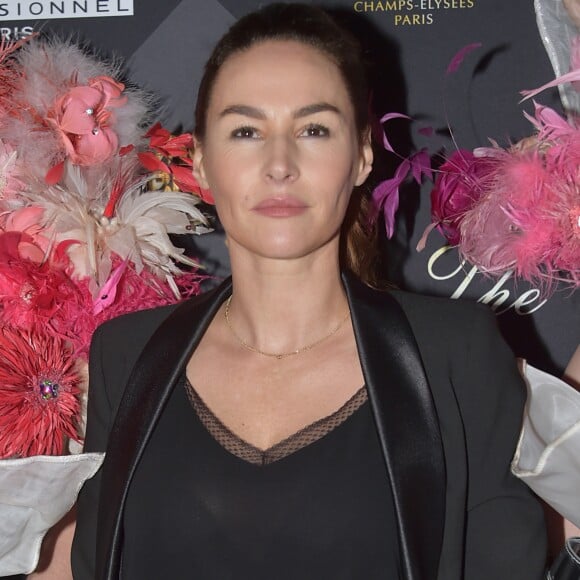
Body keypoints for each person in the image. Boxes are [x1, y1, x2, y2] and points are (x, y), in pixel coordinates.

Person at [64, 3, 546, 579]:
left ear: (363, 153)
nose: (279, 164)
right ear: (202, 162)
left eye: (314, 129)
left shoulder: (457, 354)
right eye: (246, 131)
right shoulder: (126, 357)